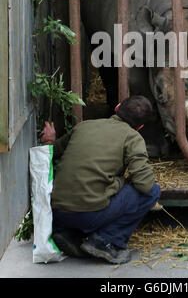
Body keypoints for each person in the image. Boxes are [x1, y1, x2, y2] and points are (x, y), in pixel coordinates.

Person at [40, 95, 161, 264]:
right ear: (140, 127)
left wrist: (50, 141)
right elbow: (144, 184)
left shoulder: (83, 126)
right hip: (89, 214)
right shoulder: (132, 137)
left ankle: (70, 234)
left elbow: (54, 152)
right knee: (153, 191)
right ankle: (106, 240)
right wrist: (121, 182)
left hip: (56, 212)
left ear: (117, 107)